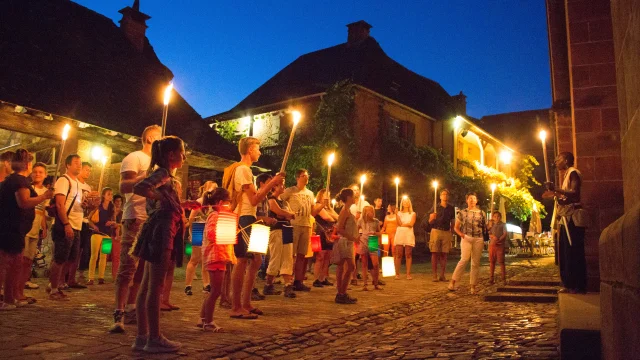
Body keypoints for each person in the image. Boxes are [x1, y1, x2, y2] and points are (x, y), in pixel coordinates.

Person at [130, 136, 186, 353]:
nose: (184, 156)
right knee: (156, 286)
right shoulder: (162, 173)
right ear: (171, 154)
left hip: (157, 228)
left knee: (146, 285)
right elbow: (141, 187)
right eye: (182, 152)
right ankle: (154, 337)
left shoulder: (166, 175)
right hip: (162, 230)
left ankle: (142, 335)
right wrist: (160, 198)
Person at [223, 136, 283, 320]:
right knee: (242, 260)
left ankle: (246, 302)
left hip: (252, 218)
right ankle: (236, 306)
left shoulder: (248, 171)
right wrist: (271, 185)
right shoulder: (243, 170)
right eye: (257, 148)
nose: (260, 152)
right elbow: (254, 199)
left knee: (256, 260)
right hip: (245, 218)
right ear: (249, 149)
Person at [110, 124, 161, 333]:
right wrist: (145, 176)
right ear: (149, 138)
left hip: (152, 219)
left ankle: (132, 308)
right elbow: (124, 186)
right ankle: (118, 311)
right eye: (160, 137)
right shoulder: (135, 157)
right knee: (128, 267)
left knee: (143, 269)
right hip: (135, 218)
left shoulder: (160, 165)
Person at [0, 150, 52, 309]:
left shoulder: (9, 180)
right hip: (13, 227)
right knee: (12, 264)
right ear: (28, 165)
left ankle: (11, 297)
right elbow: (24, 202)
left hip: (12, 227)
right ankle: (8, 299)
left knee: (13, 263)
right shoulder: (20, 181)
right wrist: (44, 197)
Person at [544, 152, 587, 294]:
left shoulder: (574, 173)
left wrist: (556, 189)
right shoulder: (567, 175)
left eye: (559, 159)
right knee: (566, 251)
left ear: (567, 160)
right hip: (566, 218)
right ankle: (569, 283)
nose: (556, 162)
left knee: (574, 251)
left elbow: (574, 193)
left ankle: (578, 285)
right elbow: (566, 197)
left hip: (573, 218)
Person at [197, 188, 237, 332]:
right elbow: (211, 234)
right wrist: (226, 230)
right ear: (221, 202)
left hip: (220, 256)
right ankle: (209, 322)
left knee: (213, 291)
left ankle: (203, 318)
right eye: (228, 202)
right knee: (216, 291)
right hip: (215, 257)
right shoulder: (215, 216)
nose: (230, 205)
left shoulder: (220, 216)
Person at [48, 154, 84, 300]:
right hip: (65, 224)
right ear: (68, 165)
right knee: (60, 258)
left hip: (77, 224)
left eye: (80, 163)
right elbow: (60, 204)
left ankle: (59, 284)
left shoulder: (77, 183)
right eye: (76, 163)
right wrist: (66, 224)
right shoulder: (64, 181)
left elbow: (78, 205)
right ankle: (53, 288)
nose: (79, 165)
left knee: (69, 258)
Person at [281, 169, 324, 292]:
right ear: (297, 178)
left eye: (307, 175)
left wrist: (322, 205)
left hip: (306, 225)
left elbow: (312, 212)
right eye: (303, 176)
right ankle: (288, 280)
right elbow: (280, 200)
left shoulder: (310, 194)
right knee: (291, 254)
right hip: (294, 224)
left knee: (302, 254)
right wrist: (286, 213)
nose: (306, 177)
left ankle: (298, 281)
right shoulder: (290, 191)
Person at [19, 162, 49, 297]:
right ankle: (15, 284)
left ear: (45, 174)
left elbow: (42, 211)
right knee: (20, 257)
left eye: (41, 172)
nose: (37, 174)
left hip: (36, 227)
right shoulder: (27, 188)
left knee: (29, 258)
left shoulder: (46, 191)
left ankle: (25, 281)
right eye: (35, 171)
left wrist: (44, 226)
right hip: (25, 226)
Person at [264, 179, 296, 297]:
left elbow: (287, 213)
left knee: (288, 257)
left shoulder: (283, 201)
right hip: (277, 229)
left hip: (287, 229)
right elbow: (279, 212)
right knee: (276, 256)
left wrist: (285, 214)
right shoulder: (271, 200)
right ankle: (268, 284)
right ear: (274, 187)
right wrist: (286, 214)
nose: (283, 186)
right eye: (280, 185)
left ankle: (288, 285)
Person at [449, 192, 486, 295]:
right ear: (467, 200)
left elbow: (484, 227)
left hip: (478, 238)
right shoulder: (462, 213)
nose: (472, 200)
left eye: (474, 198)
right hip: (467, 237)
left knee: (475, 263)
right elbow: (456, 228)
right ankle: (453, 281)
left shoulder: (481, 213)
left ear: (476, 200)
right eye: (470, 198)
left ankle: (473, 286)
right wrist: (462, 235)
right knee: (464, 259)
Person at [185, 182, 218, 296]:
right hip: (199, 228)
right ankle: (188, 285)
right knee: (195, 259)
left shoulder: (214, 203)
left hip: (206, 229)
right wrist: (191, 233)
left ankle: (206, 284)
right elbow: (191, 218)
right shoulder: (200, 201)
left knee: (205, 260)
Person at [68, 161, 96, 289]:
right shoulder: (74, 184)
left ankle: (72, 278)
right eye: (85, 169)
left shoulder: (88, 187)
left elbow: (89, 209)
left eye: (89, 170)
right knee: (69, 251)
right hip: (72, 219)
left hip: (83, 221)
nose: (87, 172)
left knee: (79, 251)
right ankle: (64, 278)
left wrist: (93, 205)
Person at [333, 188, 358, 304]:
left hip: (348, 241)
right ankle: (341, 292)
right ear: (348, 198)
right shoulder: (344, 211)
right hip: (345, 242)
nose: (355, 198)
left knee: (342, 266)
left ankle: (341, 292)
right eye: (353, 196)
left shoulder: (347, 210)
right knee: (350, 266)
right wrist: (352, 237)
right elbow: (339, 229)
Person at [87, 187, 116, 285]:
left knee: (104, 256)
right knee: (94, 255)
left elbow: (115, 221)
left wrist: (111, 223)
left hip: (107, 234)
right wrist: (94, 226)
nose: (110, 196)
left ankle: (101, 277)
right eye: (108, 194)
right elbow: (89, 219)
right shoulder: (98, 206)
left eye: (111, 194)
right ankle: (91, 278)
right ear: (103, 195)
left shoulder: (112, 207)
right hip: (97, 233)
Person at [312, 188, 338, 288]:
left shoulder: (329, 208)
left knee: (327, 256)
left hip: (329, 233)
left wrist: (330, 209)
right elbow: (327, 217)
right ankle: (316, 278)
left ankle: (323, 277)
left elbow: (337, 217)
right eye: (326, 195)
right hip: (320, 232)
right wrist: (332, 216)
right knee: (320, 256)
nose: (328, 197)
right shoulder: (318, 206)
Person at [428, 189, 456, 282]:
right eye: (443, 194)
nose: (445, 196)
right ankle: (434, 275)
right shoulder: (436, 207)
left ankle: (442, 275)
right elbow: (430, 221)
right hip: (436, 230)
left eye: (446, 194)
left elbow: (452, 221)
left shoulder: (451, 208)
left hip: (446, 231)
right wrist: (433, 217)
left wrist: (451, 232)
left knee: (444, 254)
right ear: (440, 196)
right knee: (435, 253)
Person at [357, 205, 382, 290]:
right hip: (363, 240)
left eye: (371, 211)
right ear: (365, 212)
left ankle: (376, 283)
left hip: (373, 240)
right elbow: (356, 231)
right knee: (364, 263)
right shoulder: (361, 221)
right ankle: (365, 284)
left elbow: (380, 233)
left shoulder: (376, 221)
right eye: (368, 211)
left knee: (375, 264)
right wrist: (358, 238)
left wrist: (374, 233)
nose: (370, 213)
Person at [394, 197, 416, 280]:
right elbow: (398, 223)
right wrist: (396, 214)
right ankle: (397, 273)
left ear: (409, 203)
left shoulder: (413, 213)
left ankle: (408, 273)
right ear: (402, 203)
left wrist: (403, 224)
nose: (406, 203)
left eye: (407, 201)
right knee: (398, 254)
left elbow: (411, 224)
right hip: (400, 233)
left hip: (408, 234)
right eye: (404, 201)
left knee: (408, 254)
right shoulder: (399, 213)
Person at [487, 211, 507, 284]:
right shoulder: (491, 225)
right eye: (495, 216)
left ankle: (503, 278)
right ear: (493, 217)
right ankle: (491, 278)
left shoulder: (503, 225)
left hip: (500, 245)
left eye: (498, 216)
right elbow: (488, 233)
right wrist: (492, 236)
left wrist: (500, 239)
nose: (496, 218)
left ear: (500, 217)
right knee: (492, 262)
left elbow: (505, 233)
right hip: (492, 245)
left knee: (501, 262)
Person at [111, 194, 124, 280]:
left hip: (117, 237)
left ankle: (115, 275)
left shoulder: (123, 213)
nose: (118, 203)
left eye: (120, 201)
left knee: (116, 256)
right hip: (107, 235)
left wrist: (118, 225)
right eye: (117, 201)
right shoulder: (110, 212)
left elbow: (124, 224)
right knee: (105, 254)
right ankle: (100, 276)